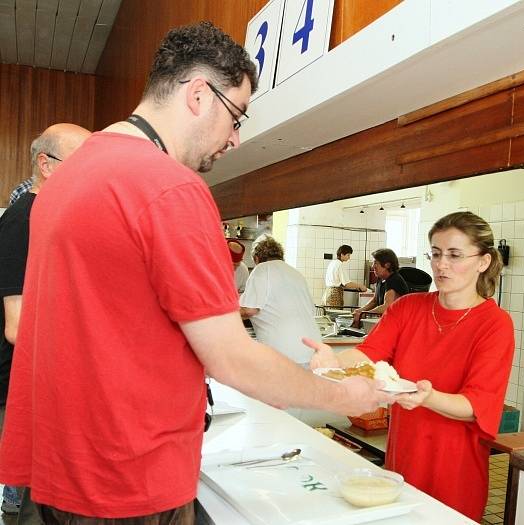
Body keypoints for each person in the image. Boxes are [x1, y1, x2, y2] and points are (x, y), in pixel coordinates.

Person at [0, 21, 391, 524]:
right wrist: (343, 396)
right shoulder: (170, 188)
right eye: (236, 116)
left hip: (59, 470)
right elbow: (233, 359)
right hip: (129, 480)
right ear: (199, 94)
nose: (234, 139)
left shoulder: (64, 179)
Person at [306, 211, 515, 521]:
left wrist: (426, 397)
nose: (442, 264)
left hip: (455, 472)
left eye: (455, 255)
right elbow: (369, 353)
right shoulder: (409, 308)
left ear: (482, 261)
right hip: (403, 464)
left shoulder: (495, 324)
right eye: (436, 254)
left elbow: (476, 405)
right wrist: (332, 362)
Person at [0, 123, 91, 517]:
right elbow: (17, 326)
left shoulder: (49, 217)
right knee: (33, 506)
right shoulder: (24, 221)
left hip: (37, 383)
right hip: (17, 388)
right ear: (46, 165)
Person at [239, 236, 320, 366]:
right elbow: (311, 309)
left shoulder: (262, 269)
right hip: (313, 351)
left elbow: (249, 310)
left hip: (284, 353)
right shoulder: (296, 274)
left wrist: (223, 315)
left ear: (256, 258)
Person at [352, 248, 409, 327]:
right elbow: (375, 301)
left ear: (387, 265)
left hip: (397, 325)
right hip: (385, 322)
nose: (372, 266)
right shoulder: (381, 278)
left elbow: (387, 306)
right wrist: (361, 310)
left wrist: (364, 314)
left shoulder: (394, 280)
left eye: (375, 263)